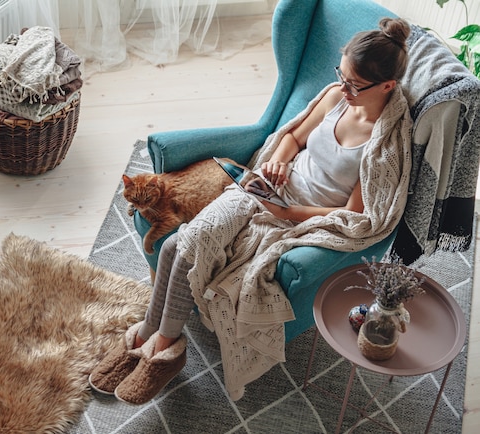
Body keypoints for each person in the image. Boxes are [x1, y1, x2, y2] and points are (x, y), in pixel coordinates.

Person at [89, 17, 413, 404]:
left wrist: (287, 213)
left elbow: (351, 213)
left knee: (186, 253)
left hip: (298, 215)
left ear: (387, 86)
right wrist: (276, 162)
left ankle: (162, 346)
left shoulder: (383, 145)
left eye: (353, 85)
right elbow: (292, 136)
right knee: (176, 247)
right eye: (339, 76)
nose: (342, 89)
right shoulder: (334, 98)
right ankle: (148, 336)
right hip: (265, 188)